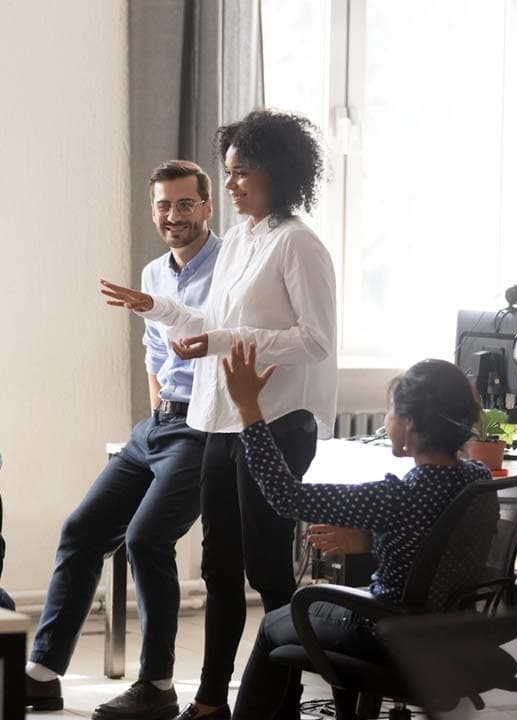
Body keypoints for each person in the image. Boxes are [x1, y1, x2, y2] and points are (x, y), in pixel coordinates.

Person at [100, 109, 337, 720]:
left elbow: (315, 340)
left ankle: (281, 702)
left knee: (266, 569)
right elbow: (211, 325)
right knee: (218, 569)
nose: (229, 185)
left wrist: (227, 340)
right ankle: (211, 700)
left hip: (276, 421)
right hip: (217, 420)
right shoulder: (240, 240)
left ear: (276, 173)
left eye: (240, 173)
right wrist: (159, 307)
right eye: (227, 172)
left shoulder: (298, 243)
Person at [26, 160, 221, 720]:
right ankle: (42, 673)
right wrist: (157, 403)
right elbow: (154, 354)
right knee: (82, 530)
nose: (173, 215)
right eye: (163, 205)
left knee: (146, 540)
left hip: (204, 426)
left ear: (207, 207)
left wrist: (180, 409)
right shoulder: (154, 271)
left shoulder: (231, 266)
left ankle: (157, 687)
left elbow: (211, 333)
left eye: (185, 204)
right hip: (158, 424)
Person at [221, 342, 490, 720]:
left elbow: (286, 497)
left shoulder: (398, 495)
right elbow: (442, 549)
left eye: (390, 412)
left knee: (271, 625)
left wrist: (248, 408)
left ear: (409, 423)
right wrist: (370, 539)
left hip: (387, 634)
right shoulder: (477, 479)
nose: (385, 422)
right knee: (329, 604)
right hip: (450, 633)